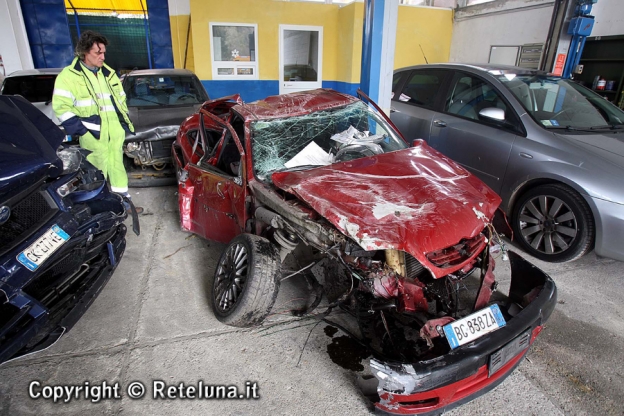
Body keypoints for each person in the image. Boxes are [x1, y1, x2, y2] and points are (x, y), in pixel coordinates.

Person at [52, 30, 143, 214]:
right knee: (95, 174)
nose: (103, 57)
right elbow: (61, 107)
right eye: (98, 53)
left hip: (113, 134)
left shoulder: (108, 74)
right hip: (92, 136)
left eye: (103, 52)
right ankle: (100, 211)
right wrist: (82, 131)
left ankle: (124, 205)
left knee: (118, 170)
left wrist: (121, 125)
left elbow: (120, 100)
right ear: (85, 52)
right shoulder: (69, 77)